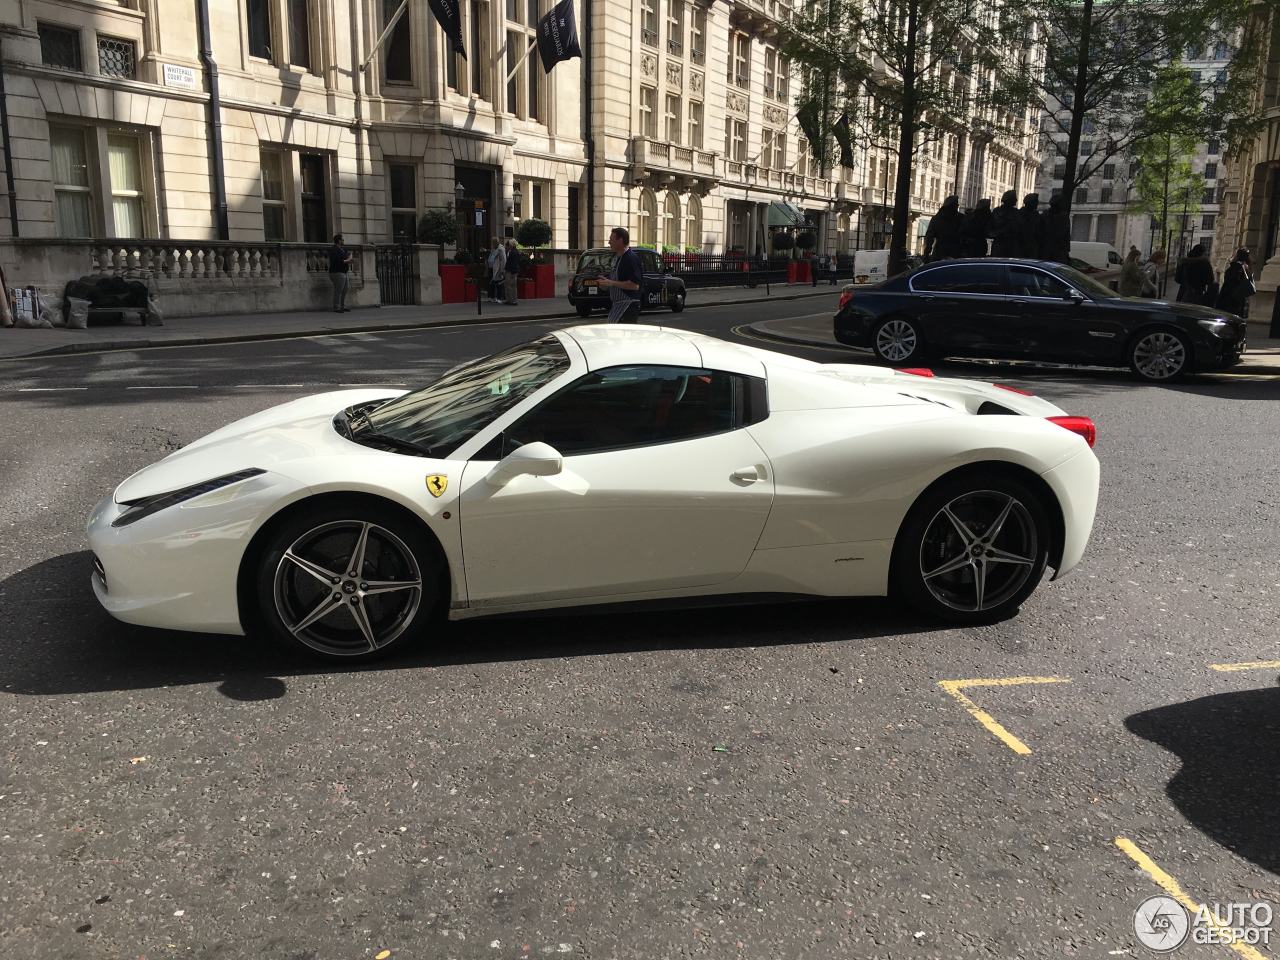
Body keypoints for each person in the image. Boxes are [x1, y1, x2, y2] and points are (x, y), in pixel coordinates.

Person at [596, 226, 644, 323]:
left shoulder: (631, 258)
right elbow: (616, 281)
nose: (609, 242)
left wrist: (611, 283)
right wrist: (605, 283)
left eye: (611, 239)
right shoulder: (618, 258)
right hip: (618, 306)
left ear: (620, 240)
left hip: (628, 306)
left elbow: (635, 285)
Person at [1217, 247, 1256, 317]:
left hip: (1229, 297)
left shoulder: (1234, 267)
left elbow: (1228, 281)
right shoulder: (1248, 268)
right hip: (1241, 298)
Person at [923, 196, 963, 262]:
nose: (957, 206)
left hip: (940, 253)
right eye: (956, 205)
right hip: (956, 254)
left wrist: (926, 254)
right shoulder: (961, 218)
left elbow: (929, 238)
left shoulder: (936, 218)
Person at [1042, 194, 1071, 264]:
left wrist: (1066, 250)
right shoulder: (1045, 216)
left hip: (1060, 250)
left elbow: (1066, 235)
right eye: (1060, 203)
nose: (1062, 205)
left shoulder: (1064, 217)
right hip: (1048, 250)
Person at [990, 190, 1020, 257]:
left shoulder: (1016, 212)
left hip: (1012, 243)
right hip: (1000, 243)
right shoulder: (997, 211)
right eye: (1014, 199)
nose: (1016, 200)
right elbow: (990, 227)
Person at [328, 234, 353, 313]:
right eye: (342, 240)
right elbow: (337, 261)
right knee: (338, 290)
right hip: (337, 272)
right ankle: (336, 307)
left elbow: (346, 257)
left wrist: (349, 257)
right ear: (338, 240)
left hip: (344, 272)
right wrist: (347, 260)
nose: (343, 241)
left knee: (345, 289)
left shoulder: (342, 249)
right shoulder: (334, 249)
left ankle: (343, 306)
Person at [1016, 193, 1043, 259]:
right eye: (1036, 202)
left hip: (1032, 246)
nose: (1037, 204)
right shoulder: (1019, 214)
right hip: (1021, 246)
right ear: (1030, 202)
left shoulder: (1036, 215)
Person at [485, 237, 506, 303]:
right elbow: (491, 257)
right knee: (492, 283)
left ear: (496, 242)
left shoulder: (501, 249)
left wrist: (502, 270)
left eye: (493, 242)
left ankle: (499, 298)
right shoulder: (493, 249)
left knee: (499, 284)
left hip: (498, 269)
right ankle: (492, 297)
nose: (492, 244)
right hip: (492, 268)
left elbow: (503, 260)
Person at [503, 239, 522, 305]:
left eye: (509, 245)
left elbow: (511, 263)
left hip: (510, 271)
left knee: (509, 286)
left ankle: (510, 300)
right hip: (514, 271)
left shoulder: (512, 252)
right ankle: (513, 300)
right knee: (513, 286)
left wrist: (508, 271)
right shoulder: (516, 251)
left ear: (511, 245)